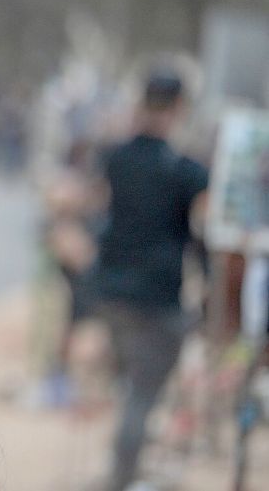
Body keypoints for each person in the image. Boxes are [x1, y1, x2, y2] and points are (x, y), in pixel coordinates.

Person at [89, 69, 208, 491]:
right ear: (179, 108)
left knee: (131, 390)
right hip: (157, 297)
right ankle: (122, 479)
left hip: (112, 291)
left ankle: (123, 471)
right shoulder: (186, 170)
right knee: (142, 396)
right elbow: (204, 232)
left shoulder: (115, 157)